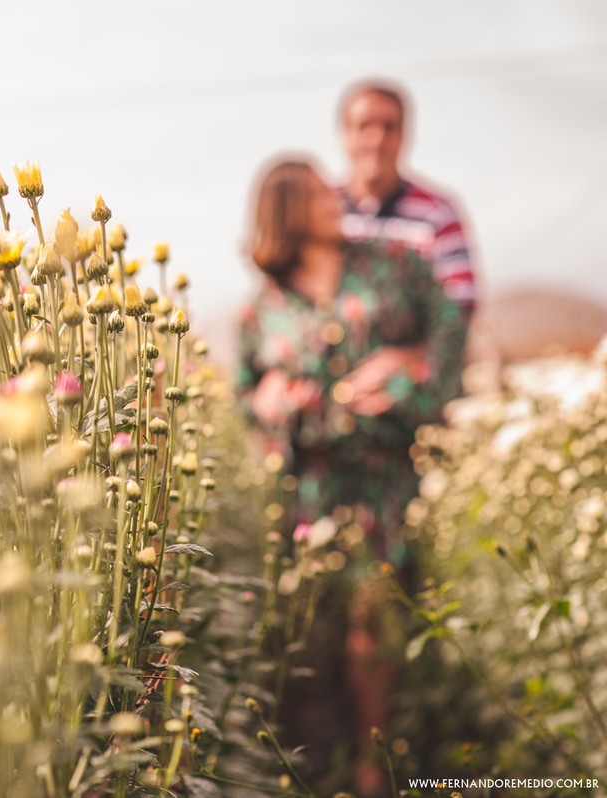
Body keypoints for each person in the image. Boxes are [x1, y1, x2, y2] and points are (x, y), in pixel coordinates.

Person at [235, 158, 467, 797]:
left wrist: (408, 363)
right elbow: (245, 394)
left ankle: (376, 765)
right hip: (308, 487)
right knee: (308, 627)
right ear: (284, 209)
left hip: (386, 477)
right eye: (313, 190)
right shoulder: (262, 310)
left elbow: (449, 331)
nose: (331, 193)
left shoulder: (394, 265)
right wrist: (270, 401)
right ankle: (310, 763)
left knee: (376, 619)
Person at [336, 80, 478, 397]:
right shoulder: (321, 214)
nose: (377, 140)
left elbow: (460, 308)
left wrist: (404, 359)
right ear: (345, 135)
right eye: (364, 127)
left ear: (404, 136)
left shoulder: (438, 213)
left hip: (414, 394)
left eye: (390, 127)